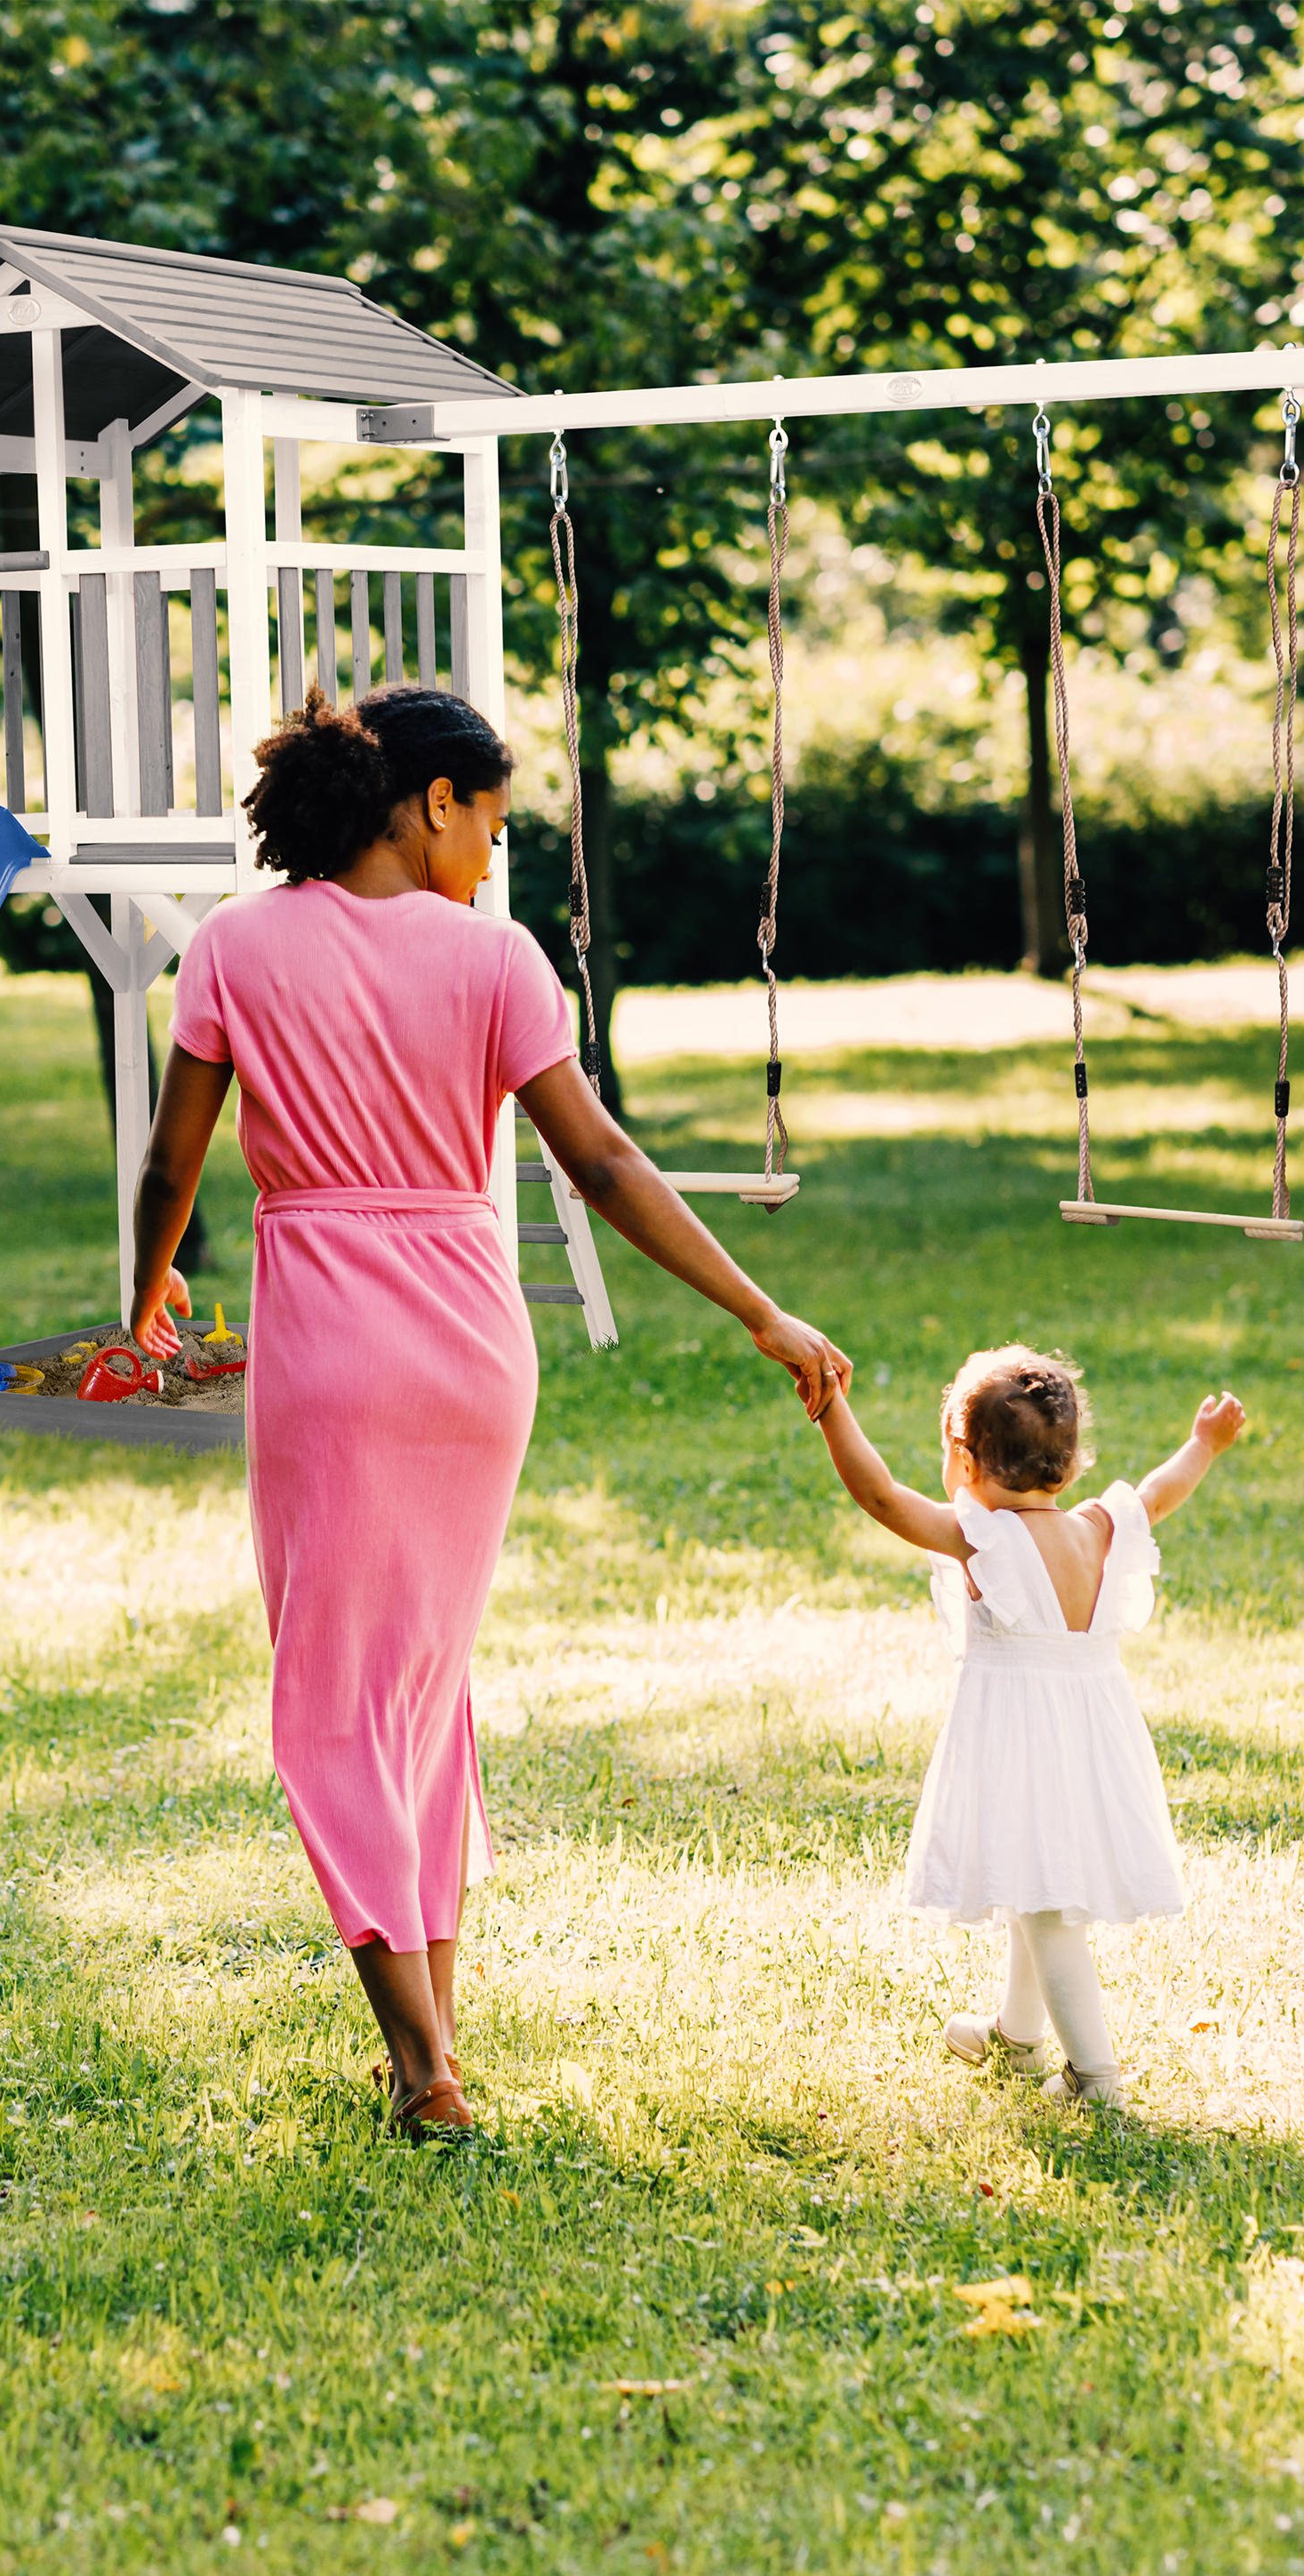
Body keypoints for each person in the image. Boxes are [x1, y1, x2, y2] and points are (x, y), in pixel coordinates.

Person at [129, 685, 852, 2136]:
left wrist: (145, 1292)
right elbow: (605, 1165)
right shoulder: (498, 959)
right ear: (432, 801)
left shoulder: (233, 948)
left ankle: (423, 2067)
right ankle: (435, 2038)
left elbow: (171, 1163)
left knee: (335, 1703)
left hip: (331, 1348)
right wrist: (758, 1309)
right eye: (493, 825)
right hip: (472, 1349)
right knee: (420, 1688)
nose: (492, 856)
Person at [809, 1345, 1247, 2108]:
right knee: (1031, 1881)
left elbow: (879, 1495)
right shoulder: (1099, 1528)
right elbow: (1160, 1490)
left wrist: (830, 1407)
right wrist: (1203, 1444)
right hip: (1092, 1743)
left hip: (1023, 1746)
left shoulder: (984, 1539)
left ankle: (1095, 2078)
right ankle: (1016, 2036)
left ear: (965, 1460)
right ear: (1069, 1465)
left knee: (1047, 1911)